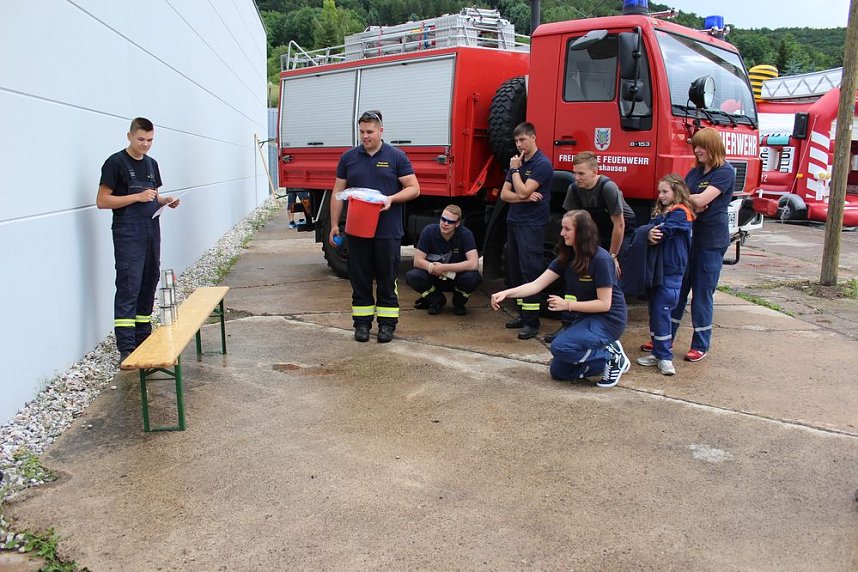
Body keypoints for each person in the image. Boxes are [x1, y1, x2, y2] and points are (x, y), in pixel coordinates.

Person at [491, 210, 630, 388]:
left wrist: (567, 305)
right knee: (559, 371)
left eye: (567, 229)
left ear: (582, 232)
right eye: (562, 228)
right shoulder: (568, 256)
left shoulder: (601, 259)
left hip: (608, 319)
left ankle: (610, 356)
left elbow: (605, 304)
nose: (562, 233)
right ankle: (604, 357)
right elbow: (536, 285)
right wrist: (506, 293)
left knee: (560, 347)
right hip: (585, 317)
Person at [328, 110, 420, 344]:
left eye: (370, 132)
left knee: (387, 278)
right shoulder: (348, 158)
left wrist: (391, 199)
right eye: (362, 132)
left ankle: (387, 325)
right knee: (359, 278)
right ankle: (362, 324)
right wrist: (333, 225)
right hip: (357, 231)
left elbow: (414, 188)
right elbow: (337, 193)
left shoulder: (397, 156)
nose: (365, 136)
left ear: (381, 131)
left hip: (387, 232)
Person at [97, 117, 180, 362]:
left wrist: (166, 201)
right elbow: (102, 201)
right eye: (141, 139)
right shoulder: (115, 163)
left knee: (149, 280)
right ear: (129, 136)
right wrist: (136, 197)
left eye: (150, 140)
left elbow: (153, 197)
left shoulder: (152, 164)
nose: (145, 144)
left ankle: (144, 337)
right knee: (129, 285)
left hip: (151, 230)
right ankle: (126, 347)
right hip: (128, 233)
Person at [547, 151, 637, 343]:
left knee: (610, 275)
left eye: (581, 174)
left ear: (595, 172)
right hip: (591, 233)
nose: (577, 178)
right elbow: (571, 222)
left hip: (619, 232)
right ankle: (570, 324)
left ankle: (608, 327)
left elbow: (619, 225)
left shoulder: (608, 188)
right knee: (575, 274)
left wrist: (613, 256)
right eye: (575, 173)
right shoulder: (573, 189)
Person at [664, 127, 735, 362]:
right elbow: (679, 198)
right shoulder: (695, 172)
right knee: (678, 289)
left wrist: (692, 200)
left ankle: (700, 345)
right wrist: (692, 201)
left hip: (711, 241)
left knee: (702, 293)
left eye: (702, 146)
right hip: (688, 240)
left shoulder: (725, 172)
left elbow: (701, 200)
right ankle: (664, 339)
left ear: (713, 147)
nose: (697, 150)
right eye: (695, 146)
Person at [500, 122, 554, 340]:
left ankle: (532, 323)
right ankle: (523, 315)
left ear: (533, 137)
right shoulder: (518, 162)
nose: (519, 144)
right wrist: (522, 195)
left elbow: (521, 190)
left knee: (530, 270)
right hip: (514, 221)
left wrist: (515, 172)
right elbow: (505, 195)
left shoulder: (542, 164)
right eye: (516, 141)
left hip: (532, 225)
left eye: (522, 140)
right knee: (515, 270)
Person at [636, 174, 695, 376]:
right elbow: (653, 230)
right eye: (659, 192)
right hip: (660, 270)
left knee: (662, 310)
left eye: (665, 192)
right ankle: (658, 352)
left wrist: (646, 233)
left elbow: (662, 231)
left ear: (676, 192)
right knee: (655, 311)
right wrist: (647, 233)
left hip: (671, 272)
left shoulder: (681, 212)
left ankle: (665, 357)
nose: (660, 196)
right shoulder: (665, 212)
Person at [406, 205, 482, 316]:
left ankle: (459, 302)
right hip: (434, 276)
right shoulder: (429, 231)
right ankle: (436, 301)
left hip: (456, 277)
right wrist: (432, 267)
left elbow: (473, 264)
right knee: (413, 276)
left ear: (457, 224)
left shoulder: (465, 234)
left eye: (450, 222)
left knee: (473, 278)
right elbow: (417, 261)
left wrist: (444, 268)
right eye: (443, 219)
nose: (445, 224)